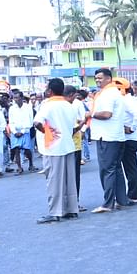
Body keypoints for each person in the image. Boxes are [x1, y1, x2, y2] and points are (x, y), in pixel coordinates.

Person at [33, 78, 81, 223]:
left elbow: (37, 123)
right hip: (68, 145)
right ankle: (71, 209)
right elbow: (74, 127)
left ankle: (56, 211)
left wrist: (48, 133)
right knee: (69, 179)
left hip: (54, 147)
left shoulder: (47, 105)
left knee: (54, 181)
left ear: (50, 91)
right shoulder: (68, 105)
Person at [88, 68, 131, 213]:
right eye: (96, 78)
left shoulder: (108, 94)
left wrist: (91, 114)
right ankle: (122, 200)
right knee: (115, 169)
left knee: (107, 171)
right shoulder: (111, 93)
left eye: (100, 78)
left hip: (107, 136)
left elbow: (106, 114)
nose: (98, 80)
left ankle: (108, 203)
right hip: (113, 136)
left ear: (108, 78)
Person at [7, 90, 37, 174]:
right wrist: (14, 131)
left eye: (17, 97)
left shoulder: (27, 107)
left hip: (25, 130)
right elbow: (11, 121)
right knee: (16, 149)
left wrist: (22, 131)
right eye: (14, 98)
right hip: (15, 131)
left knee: (27, 149)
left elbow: (30, 121)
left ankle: (31, 163)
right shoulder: (12, 108)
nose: (15, 99)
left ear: (21, 98)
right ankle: (19, 167)